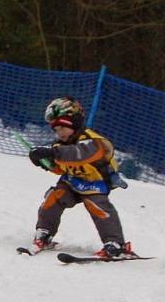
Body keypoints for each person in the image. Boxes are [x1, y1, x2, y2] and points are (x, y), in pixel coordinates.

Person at [27, 96, 134, 258]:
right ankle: (45, 232)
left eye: (63, 128)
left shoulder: (93, 141)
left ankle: (115, 243)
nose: (59, 133)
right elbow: (61, 167)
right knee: (53, 198)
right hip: (71, 182)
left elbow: (79, 154)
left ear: (75, 124)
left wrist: (52, 152)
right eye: (56, 129)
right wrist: (45, 162)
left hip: (95, 184)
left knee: (98, 208)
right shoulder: (60, 145)